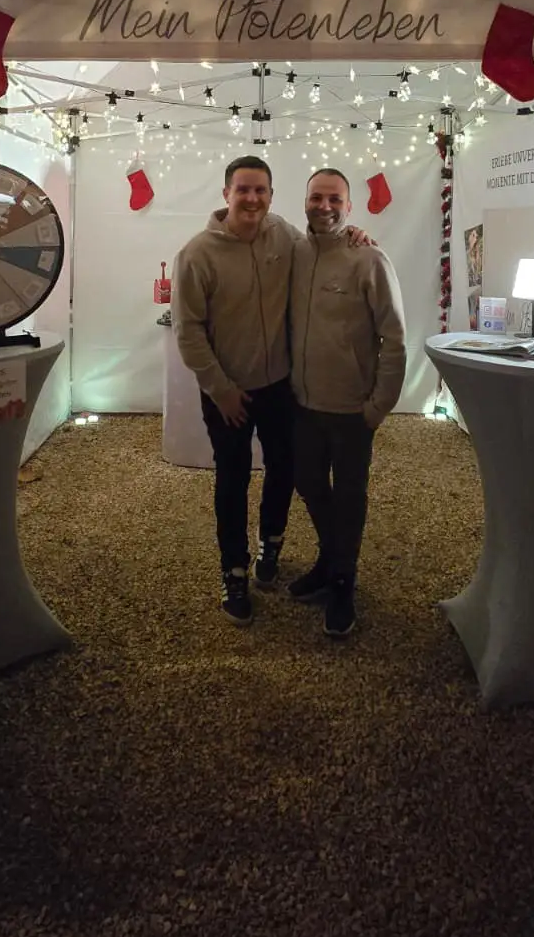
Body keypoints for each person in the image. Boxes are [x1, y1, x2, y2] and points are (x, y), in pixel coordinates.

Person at [173, 155, 369, 625]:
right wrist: (220, 389)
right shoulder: (197, 254)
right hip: (227, 392)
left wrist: (355, 235)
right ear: (226, 194)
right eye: (243, 189)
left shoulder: (284, 236)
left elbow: (324, 245)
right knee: (233, 477)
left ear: (272, 196)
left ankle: (271, 545)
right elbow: (188, 330)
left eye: (260, 190)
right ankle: (234, 571)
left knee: (284, 469)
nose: (252, 198)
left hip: (279, 385)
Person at [288, 168, 406, 638]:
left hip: (352, 409)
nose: (325, 207)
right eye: (316, 197)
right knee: (309, 483)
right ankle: (330, 560)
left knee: (350, 495)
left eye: (335, 199)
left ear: (349, 206)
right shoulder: (294, 254)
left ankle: (342, 582)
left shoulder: (369, 258)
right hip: (303, 403)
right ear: (305, 201)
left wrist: (380, 405)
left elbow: (394, 337)